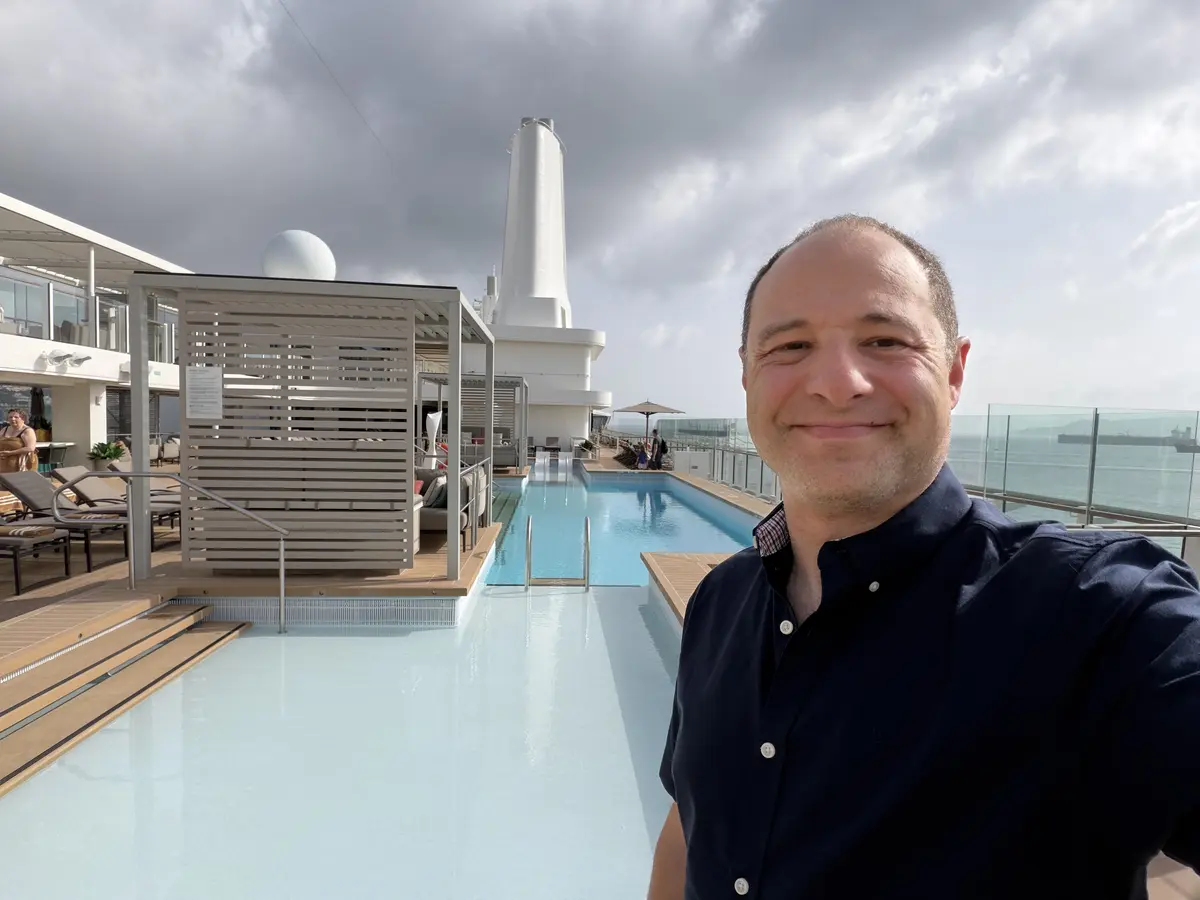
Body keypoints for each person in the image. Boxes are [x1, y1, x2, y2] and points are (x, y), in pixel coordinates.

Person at [647, 215, 1200, 899]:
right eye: (790, 346)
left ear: (955, 370)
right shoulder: (719, 604)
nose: (837, 381)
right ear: (747, 377)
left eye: (884, 341)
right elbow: (686, 829)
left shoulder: (1099, 616)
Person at [0, 408, 38, 474]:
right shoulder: (4, 429)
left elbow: (30, 448)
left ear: (23, 419)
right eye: (10, 417)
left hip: (21, 465)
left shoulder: (27, 431)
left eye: (16, 417)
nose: (12, 419)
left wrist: (10, 453)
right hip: (3, 464)